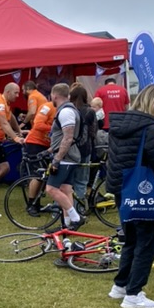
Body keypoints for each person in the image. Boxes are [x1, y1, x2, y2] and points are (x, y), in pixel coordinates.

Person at [106, 86, 154, 308]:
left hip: (121, 188)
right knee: (147, 242)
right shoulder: (150, 128)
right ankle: (134, 294)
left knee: (131, 238)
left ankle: (121, 285)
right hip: (142, 191)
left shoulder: (118, 125)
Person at [44, 83, 83, 235]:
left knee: (51, 189)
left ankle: (75, 218)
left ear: (54, 96)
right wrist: (49, 149)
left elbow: (68, 138)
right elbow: (63, 138)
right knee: (66, 190)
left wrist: (57, 159)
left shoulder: (66, 112)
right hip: (69, 156)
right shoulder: (69, 110)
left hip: (66, 157)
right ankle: (66, 226)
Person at [69, 84, 97, 203]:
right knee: (81, 181)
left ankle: (64, 208)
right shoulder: (90, 111)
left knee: (66, 182)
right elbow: (93, 132)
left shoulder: (69, 110)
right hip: (85, 149)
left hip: (69, 149)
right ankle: (79, 208)